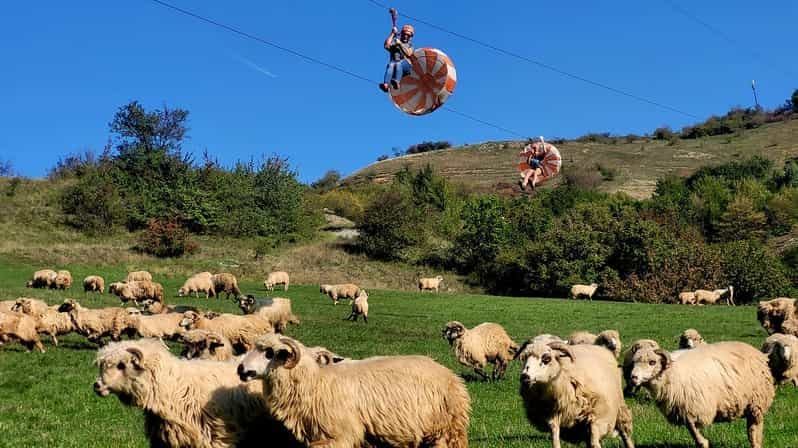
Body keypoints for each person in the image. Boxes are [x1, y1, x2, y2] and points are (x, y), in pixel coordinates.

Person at [379, 24, 414, 92]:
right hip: (395, 65)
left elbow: (409, 54)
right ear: (401, 34)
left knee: (398, 63)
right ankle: (386, 84)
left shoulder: (409, 45)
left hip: (406, 66)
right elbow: (386, 45)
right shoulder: (395, 44)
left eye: (408, 35)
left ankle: (397, 81)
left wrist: (400, 44)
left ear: (410, 37)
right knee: (391, 65)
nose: (405, 36)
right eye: (404, 34)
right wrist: (392, 33)